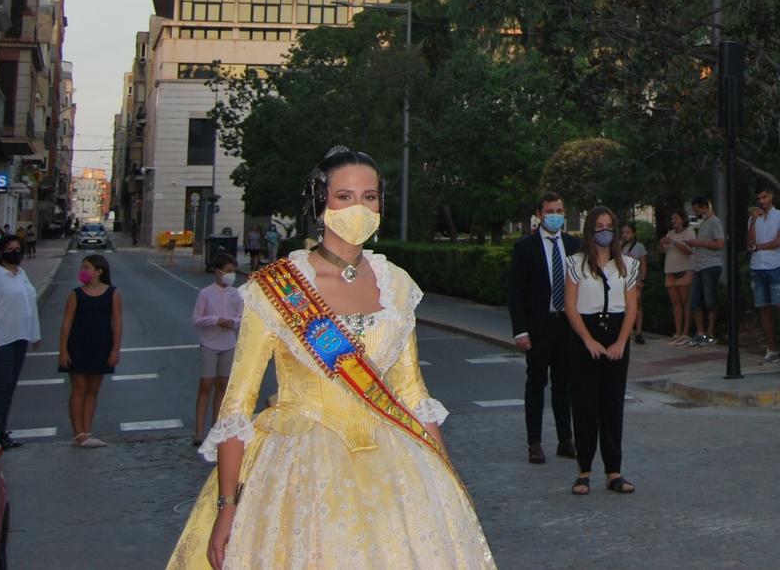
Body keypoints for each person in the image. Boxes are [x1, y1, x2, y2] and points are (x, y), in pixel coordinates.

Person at [167, 145, 494, 569]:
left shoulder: (396, 285)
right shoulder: (276, 288)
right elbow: (236, 407)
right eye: (345, 196)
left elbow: (413, 394)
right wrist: (227, 505)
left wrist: (447, 480)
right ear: (320, 202)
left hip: (393, 464)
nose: (359, 207)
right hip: (300, 469)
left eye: (369, 197)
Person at [563, 206, 640, 497]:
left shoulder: (628, 265)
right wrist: (587, 340)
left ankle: (614, 471)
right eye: (599, 226)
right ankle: (583, 472)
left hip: (616, 332)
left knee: (612, 404)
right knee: (584, 404)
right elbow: (570, 306)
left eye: (609, 226)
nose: (604, 232)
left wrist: (621, 341)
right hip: (585, 334)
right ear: (590, 230)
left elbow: (631, 305)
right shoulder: (575, 263)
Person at [506, 192, 580, 466]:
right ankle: (534, 443)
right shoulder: (526, 248)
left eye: (559, 210)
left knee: (564, 384)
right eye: (550, 211)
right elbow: (516, 292)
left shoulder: (574, 245)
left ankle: (565, 439)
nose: (555, 215)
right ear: (540, 214)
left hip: (567, 324)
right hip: (539, 326)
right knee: (536, 383)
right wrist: (520, 330)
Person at [0, 230, 39, 448]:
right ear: (0, 252)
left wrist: (35, 333)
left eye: (17, 249)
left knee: (10, 386)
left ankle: (1, 429)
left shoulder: (21, 274)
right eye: (9, 249)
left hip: (19, 336)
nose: (14, 252)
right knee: (2, 386)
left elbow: (30, 303)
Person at [58, 253, 123, 448]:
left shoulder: (113, 294)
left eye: (86, 267)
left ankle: (87, 430)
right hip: (78, 345)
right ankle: (78, 432)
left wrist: (115, 350)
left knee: (93, 389)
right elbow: (67, 323)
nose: (83, 271)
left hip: (101, 345)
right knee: (78, 388)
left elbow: (117, 322)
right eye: (82, 267)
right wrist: (63, 350)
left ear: (98, 271)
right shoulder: (76, 294)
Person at [192, 254, 245, 445]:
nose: (231, 275)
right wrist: (216, 320)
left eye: (233, 271)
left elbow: (241, 317)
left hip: (228, 342)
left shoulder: (236, 293)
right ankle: (198, 430)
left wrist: (233, 322)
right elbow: (197, 318)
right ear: (218, 272)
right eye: (228, 271)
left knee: (223, 385)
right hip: (209, 342)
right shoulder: (206, 293)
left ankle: (217, 426)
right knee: (206, 384)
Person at [748, 186, 780, 363]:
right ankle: (772, 348)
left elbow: (779, 241)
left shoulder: (779, 216)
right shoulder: (754, 218)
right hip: (758, 266)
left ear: (770, 197)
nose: (761, 201)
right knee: (763, 308)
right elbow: (750, 243)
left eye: (764, 197)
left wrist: (759, 247)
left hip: (774, 265)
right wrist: (754, 222)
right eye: (759, 198)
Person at [686, 197, 725, 346]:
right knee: (694, 301)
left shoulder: (715, 222)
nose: (696, 213)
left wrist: (699, 243)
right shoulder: (702, 223)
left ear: (704, 207)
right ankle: (701, 332)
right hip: (699, 265)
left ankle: (710, 333)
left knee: (710, 300)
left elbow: (720, 243)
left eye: (697, 210)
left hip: (711, 265)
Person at [660, 210, 694, 344]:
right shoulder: (670, 233)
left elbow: (689, 250)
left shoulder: (689, 231)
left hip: (684, 270)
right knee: (675, 303)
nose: (673, 221)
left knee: (685, 301)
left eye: (676, 218)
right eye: (672, 218)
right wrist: (661, 242)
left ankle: (686, 332)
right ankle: (678, 331)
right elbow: (662, 250)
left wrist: (674, 243)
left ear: (683, 219)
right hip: (670, 270)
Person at [619, 222, 648, 346]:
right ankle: (627, 331)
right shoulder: (619, 246)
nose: (625, 235)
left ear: (634, 234)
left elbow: (643, 265)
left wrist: (642, 279)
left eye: (628, 232)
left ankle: (639, 332)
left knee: (637, 306)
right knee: (624, 306)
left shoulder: (639, 247)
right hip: (622, 281)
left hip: (635, 281)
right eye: (623, 232)